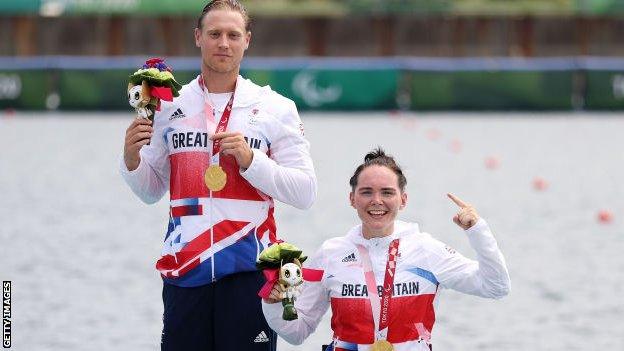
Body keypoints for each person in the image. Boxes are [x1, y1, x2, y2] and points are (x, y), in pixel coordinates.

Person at [120, 1, 316, 350]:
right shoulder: (170, 107)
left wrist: (250, 160)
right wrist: (131, 159)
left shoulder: (275, 107)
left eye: (232, 35)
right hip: (185, 272)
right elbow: (151, 191)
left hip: (249, 273)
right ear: (198, 37)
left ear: (247, 40)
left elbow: (305, 192)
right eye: (214, 34)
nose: (223, 43)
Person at [262, 148, 510, 351]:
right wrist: (274, 304)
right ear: (352, 199)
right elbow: (296, 332)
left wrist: (477, 230)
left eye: (387, 193)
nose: (377, 201)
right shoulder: (330, 253)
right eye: (366, 192)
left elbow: (496, 287)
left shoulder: (426, 250)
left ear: (403, 199)